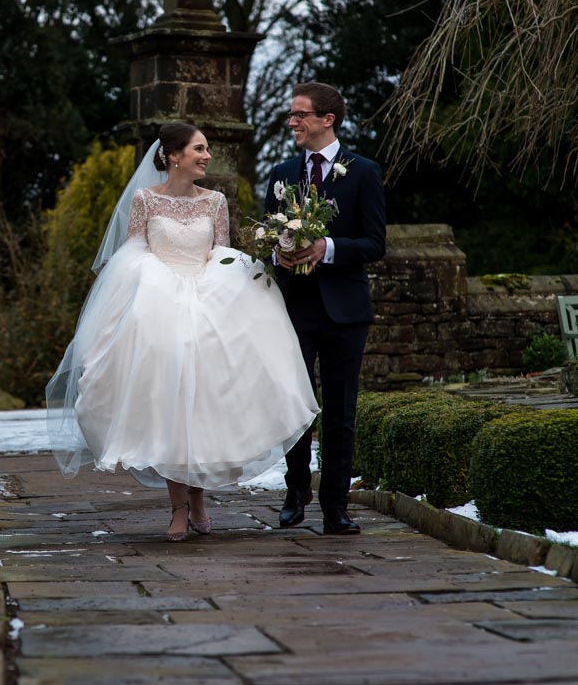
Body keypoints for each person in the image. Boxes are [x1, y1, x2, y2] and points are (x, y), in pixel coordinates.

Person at [47, 123, 319, 541]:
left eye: (207, 149)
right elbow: (133, 252)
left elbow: (220, 252)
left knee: (207, 402)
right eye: (199, 149)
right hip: (160, 304)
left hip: (208, 301)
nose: (207, 156)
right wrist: (148, 291)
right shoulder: (145, 200)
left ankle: (198, 497)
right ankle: (178, 506)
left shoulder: (215, 201)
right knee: (170, 406)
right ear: (173, 155)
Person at [264, 82, 386, 535]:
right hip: (293, 308)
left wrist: (327, 247)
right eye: (291, 115)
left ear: (327, 119)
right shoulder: (281, 173)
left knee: (340, 411)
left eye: (300, 115)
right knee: (294, 405)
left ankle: (336, 505)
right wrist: (279, 253)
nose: (292, 122)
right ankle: (296, 489)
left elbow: (375, 243)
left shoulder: (363, 172)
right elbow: (268, 236)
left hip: (345, 311)